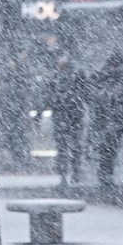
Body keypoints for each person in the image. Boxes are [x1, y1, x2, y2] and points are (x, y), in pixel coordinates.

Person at [42, 53, 87, 186]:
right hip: (64, 116)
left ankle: (73, 173)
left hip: (71, 116)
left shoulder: (75, 77)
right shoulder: (56, 78)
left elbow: (84, 93)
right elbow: (47, 95)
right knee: (65, 148)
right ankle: (65, 174)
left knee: (72, 147)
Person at [91, 53, 123, 189]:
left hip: (111, 120)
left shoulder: (111, 76)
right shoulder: (117, 77)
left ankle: (105, 176)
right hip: (111, 120)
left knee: (108, 150)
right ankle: (105, 176)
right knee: (108, 150)